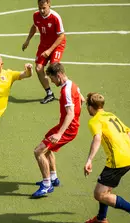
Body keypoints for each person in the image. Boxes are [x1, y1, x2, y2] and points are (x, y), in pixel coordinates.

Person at [83, 92, 130, 223]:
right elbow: (129, 134)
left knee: (99, 194)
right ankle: (101, 219)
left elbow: (97, 138)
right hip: (129, 157)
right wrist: (124, 150)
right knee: (105, 189)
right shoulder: (111, 115)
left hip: (117, 161)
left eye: (87, 106)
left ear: (90, 107)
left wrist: (89, 160)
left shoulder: (94, 120)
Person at [32, 62, 84, 198]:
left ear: (59, 75)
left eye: (53, 78)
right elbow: (82, 100)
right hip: (67, 126)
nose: (52, 82)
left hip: (67, 129)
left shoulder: (66, 90)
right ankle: (53, 178)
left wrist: (60, 133)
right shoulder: (73, 85)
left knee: (38, 152)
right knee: (47, 147)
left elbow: (71, 113)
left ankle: (46, 185)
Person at [22, 0, 66, 104]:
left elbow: (61, 36)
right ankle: (49, 94)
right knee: (38, 68)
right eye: (40, 8)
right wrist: (27, 40)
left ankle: (68, 91)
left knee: (54, 69)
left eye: (44, 8)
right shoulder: (36, 15)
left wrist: (50, 50)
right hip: (44, 45)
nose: (42, 10)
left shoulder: (55, 17)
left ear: (49, 4)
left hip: (57, 45)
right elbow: (34, 27)